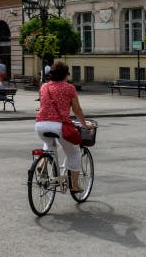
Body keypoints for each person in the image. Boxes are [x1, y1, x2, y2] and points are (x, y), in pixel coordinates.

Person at [36, 61, 93, 193]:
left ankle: (42, 164)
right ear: (65, 75)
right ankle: (75, 185)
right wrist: (85, 125)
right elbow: (77, 110)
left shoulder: (44, 86)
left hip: (40, 124)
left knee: (50, 144)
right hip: (59, 126)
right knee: (74, 153)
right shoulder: (69, 88)